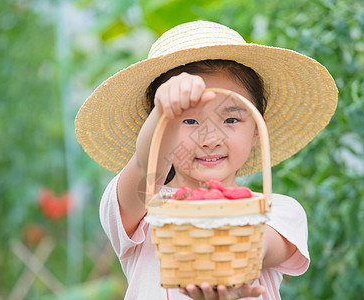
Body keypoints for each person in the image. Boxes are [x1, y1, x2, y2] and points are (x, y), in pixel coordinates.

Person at [75, 20, 338, 300]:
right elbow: (145, 166)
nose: (210, 138)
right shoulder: (145, 210)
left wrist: (230, 269)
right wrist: (166, 112)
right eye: (189, 120)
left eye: (231, 119)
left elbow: (257, 245)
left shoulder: (275, 211)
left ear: (255, 131)